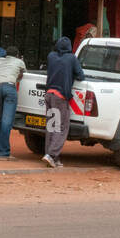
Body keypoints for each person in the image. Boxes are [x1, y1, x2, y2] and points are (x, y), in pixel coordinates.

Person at [43, 35, 83, 169]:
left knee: (51, 127)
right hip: (60, 98)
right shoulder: (72, 58)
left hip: (49, 95)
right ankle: (51, 155)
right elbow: (80, 75)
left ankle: (53, 157)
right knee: (62, 128)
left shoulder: (51, 56)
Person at [0, 45, 26, 160]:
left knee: (0, 119)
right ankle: (4, 153)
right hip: (10, 89)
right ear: (17, 55)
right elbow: (22, 75)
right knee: (7, 121)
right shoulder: (19, 62)